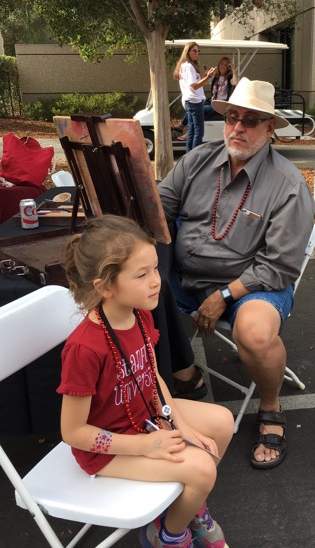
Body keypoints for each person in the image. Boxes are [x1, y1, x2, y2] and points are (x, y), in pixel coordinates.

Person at [159, 78, 315, 470]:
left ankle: (270, 407)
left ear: (270, 128)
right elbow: (159, 206)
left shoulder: (287, 185)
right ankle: (186, 376)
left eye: (251, 120)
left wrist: (224, 295)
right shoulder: (197, 160)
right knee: (129, 293)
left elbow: (278, 266)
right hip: (185, 278)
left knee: (256, 334)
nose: (238, 128)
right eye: (232, 118)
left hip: (252, 284)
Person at [57, 214, 233, 548]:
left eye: (155, 268)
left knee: (222, 422)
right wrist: (145, 446)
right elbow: (73, 433)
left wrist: (178, 422)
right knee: (202, 469)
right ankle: (169, 535)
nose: (156, 281)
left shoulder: (140, 312)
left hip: (145, 419)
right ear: (105, 286)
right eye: (142, 274)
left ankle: (188, 507)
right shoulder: (84, 348)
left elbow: (151, 375)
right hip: (107, 447)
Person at [173, 41, 216, 153]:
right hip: (194, 101)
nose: (197, 53)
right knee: (199, 131)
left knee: (192, 130)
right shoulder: (188, 66)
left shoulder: (186, 66)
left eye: (198, 51)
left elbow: (195, 83)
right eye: (194, 51)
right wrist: (208, 77)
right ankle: (194, 157)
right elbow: (194, 86)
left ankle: (189, 157)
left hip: (191, 101)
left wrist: (205, 77)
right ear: (188, 51)